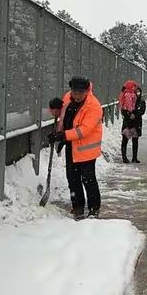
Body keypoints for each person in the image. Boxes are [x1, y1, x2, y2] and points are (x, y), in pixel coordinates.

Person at [48, 76, 103, 221]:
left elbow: (83, 130)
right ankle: (77, 207)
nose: (77, 96)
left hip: (87, 149)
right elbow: (61, 115)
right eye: (74, 92)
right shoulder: (68, 97)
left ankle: (93, 209)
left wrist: (63, 135)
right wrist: (54, 108)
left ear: (87, 91)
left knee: (88, 179)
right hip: (71, 146)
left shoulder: (93, 106)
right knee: (72, 178)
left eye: (80, 93)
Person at [120, 82, 146, 163]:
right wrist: (129, 114)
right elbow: (123, 110)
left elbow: (142, 111)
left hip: (136, 123)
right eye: (136, 91)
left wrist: (135, 115)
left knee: (135, 140)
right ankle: (124, 157)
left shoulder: (141, 102)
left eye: (139, 92)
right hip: (128, 123)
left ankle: (135, 157)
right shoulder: (127, 99)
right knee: (125, 140)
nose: (138, 93)